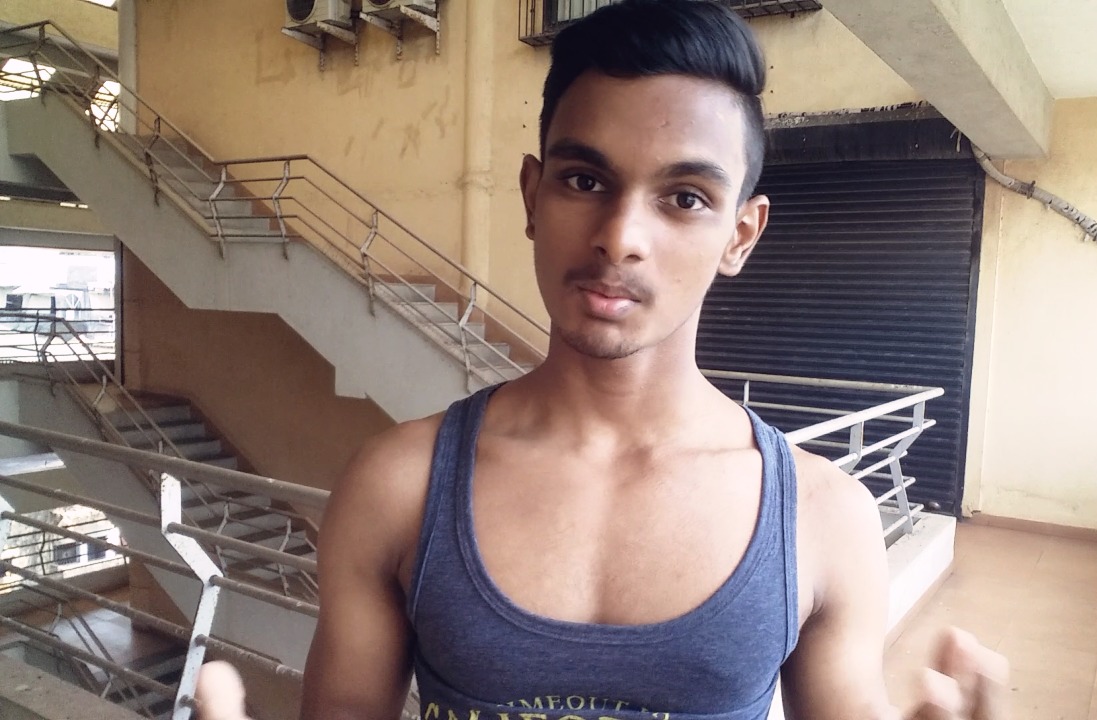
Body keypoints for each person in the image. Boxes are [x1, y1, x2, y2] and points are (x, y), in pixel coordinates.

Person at [197, 1, 1007, 718]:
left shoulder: (823, 518)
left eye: (684, 198)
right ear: (532, 195)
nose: (620, 237)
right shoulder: (396, 485)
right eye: (585, 180)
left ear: (740, 235)